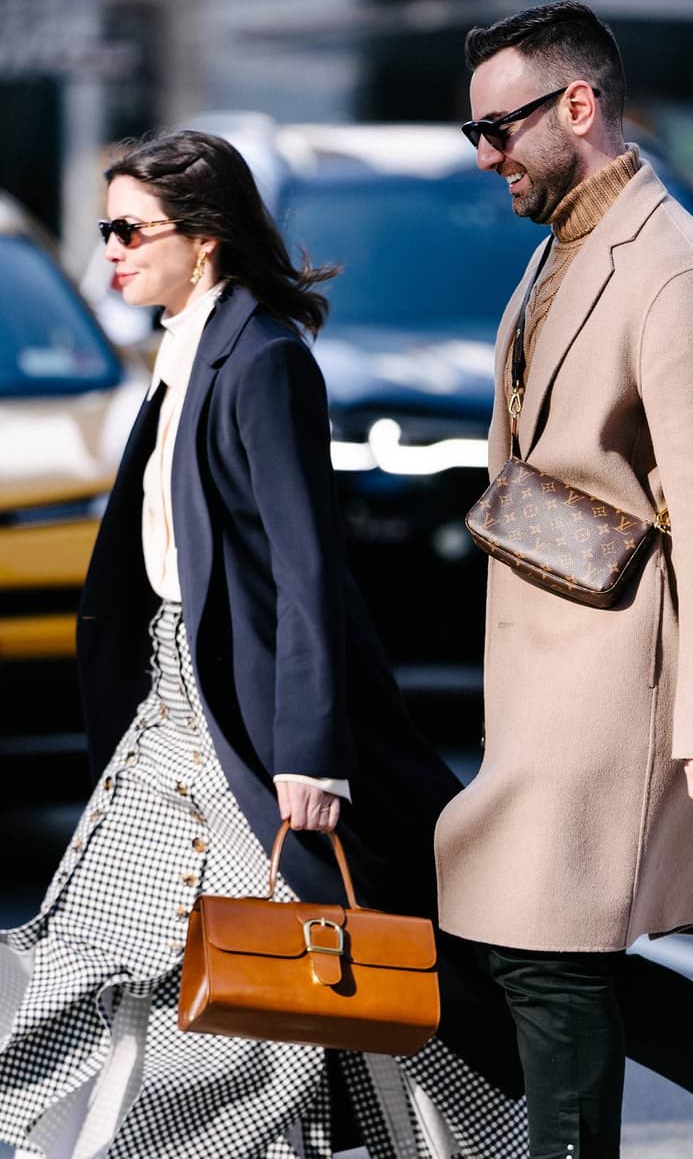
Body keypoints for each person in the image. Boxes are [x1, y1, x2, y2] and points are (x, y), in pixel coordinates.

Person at [0, 128, 529, 1158]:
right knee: (87, 941)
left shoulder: (265, 359)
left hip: (239, 728)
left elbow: (306, 571)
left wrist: (310, 750)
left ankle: (471, 1138)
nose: (106, 248)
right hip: (170, 706)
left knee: (300, 965)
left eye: (125, 229)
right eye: (104, 228)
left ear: (201, 239)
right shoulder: (179, 344)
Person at [434, 0, 693, 1159]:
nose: (487, 155)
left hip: (619, 677)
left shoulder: (675, 273)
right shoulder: (563, 248)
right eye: (475, 134)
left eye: (500, 130)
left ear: (577, 106)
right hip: (549, 667)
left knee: (544, 954)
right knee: (533, 955)